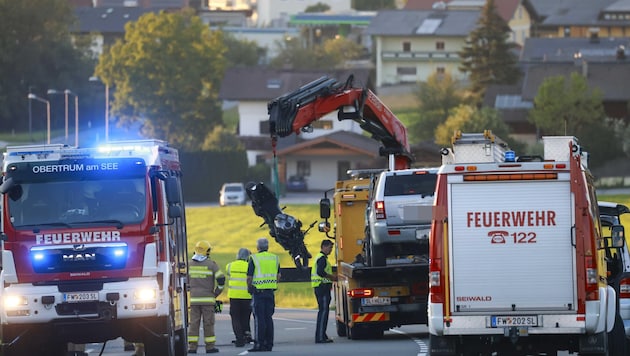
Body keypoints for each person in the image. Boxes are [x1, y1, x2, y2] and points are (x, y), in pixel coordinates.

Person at [187, 240, 225, 354]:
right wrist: (216, 293)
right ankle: (210, 347)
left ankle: (192, 347)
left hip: (193, 300)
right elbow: (221, 279)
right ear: (207, 251)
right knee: (208, 323)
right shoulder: (211, 264)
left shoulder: (189, 264)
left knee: (194, 324)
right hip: (208, 300)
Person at [246, 238, 280, 352]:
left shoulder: (254, 258)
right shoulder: (274, 258)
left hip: (258, 292)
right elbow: (278, 275)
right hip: (270, 292)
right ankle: (269, 344)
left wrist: (249, 288)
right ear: (267, 247)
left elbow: (249, 277)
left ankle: (259, 344)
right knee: (268, 318)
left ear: (258, 247)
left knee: (259, 319)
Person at [226, 248, 253, 347]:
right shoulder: (250, 266)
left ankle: (239, 338)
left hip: (234, 296)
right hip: (247, 296)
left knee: (235, 318)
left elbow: (228, 272)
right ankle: (247, 336)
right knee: (246, 317)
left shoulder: (230, 265)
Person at [311, 239, 337, 344]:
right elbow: (320, 272)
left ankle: (322, 334)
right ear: (324, 247)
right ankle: (320, 336)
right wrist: (332, 277)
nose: (331, 250)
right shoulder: (321, 258)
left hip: (320, 287)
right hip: (322, 287)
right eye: (330, 247)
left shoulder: (320, 258)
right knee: (323, 312)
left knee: (323, 311)